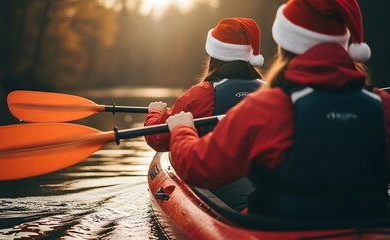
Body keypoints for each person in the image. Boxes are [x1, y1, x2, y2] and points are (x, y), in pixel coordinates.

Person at [166, 0, 390, 220]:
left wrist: (182, 130)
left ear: (286, 45)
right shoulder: (382, 104)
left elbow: (198, 167)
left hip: (280, 231)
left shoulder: (267, 107)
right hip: (368, 225)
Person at [144, 18, 265, 210]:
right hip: (264, 176)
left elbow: (157, 139)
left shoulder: (200, 94)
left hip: (220, 179)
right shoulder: (275, 92)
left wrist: (154, 114)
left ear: (214, 55)